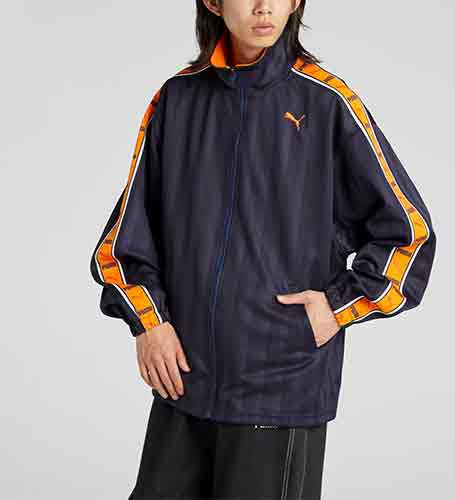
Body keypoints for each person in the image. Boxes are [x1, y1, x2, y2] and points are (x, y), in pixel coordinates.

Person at [90, 1, 437, 498]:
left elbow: (409, 233)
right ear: (213, 2)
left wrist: (336, 308)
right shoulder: (177, 100)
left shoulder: (326, 101)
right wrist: (149, 323)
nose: (264, 7)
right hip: (183, 383)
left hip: (280, 386)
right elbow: (124, 241)